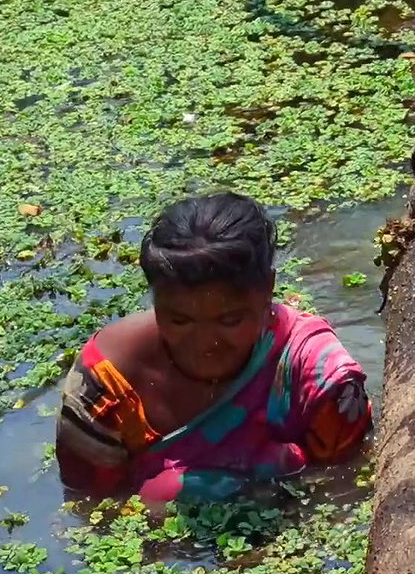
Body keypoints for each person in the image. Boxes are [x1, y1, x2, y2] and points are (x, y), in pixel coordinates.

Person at [54, 192, 372, 503]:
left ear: (268, 289)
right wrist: (165, 500)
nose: (205, 344)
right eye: (180, 321)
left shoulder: (320, 375)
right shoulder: (105, 380)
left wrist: (262, 480)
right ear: (155, 301)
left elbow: (346, 484)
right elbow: (88, 502)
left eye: (230, 320)